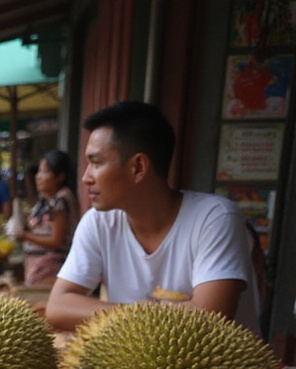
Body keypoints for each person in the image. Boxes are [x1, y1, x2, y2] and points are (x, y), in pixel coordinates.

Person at [47, 100, 261, 335]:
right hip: (142, 368)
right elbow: (58, 307)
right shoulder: (98, 223)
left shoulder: (216, 219)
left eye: (96, 163)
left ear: (138, 167)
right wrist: (168, 312)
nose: (86, 177)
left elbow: (210, 318)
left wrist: (111, 315)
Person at [15, 150, 80, 286]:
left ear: (60, 176)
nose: (38, 177)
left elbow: (56, 241)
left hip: (50, 268)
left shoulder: (61, 200)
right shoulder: (47, 200)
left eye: (44, 172)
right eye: (38, 172)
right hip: (38, 266)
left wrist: (25, 236)